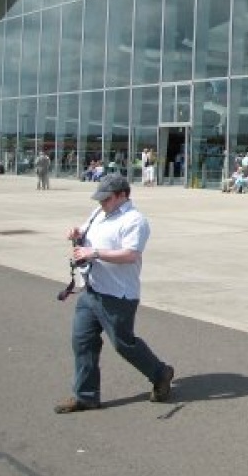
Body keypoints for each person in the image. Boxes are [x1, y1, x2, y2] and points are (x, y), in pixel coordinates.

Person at [54, 174, 174, 413]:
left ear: (122, 196)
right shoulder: (99, 213)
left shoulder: (134, 220)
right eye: (100, 198)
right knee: (82, 342)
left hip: (118, 296)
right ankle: (86, 396)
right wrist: (78, 234)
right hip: (92, 290)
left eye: (106, 198)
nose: (101, 203)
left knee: (124, 344)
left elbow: (130, 255)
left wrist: (94, 253)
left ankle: (160, 373)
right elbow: (87, 235)